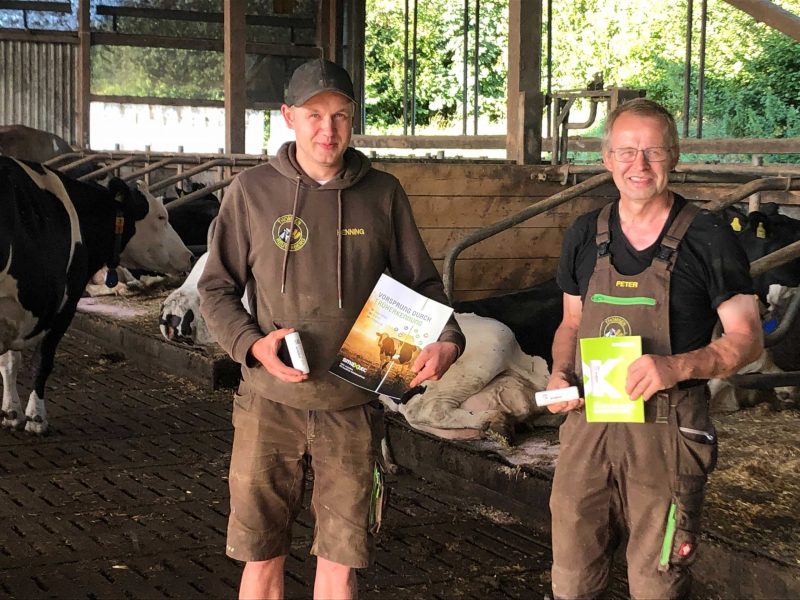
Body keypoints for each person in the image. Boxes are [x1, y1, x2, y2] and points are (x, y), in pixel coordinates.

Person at [198, 58, 465, 599]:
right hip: (269, 405)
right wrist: (252, 346)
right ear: (288, 117)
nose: (329, 129)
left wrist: (448, 341)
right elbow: (216, 290)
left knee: (341, 561)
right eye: (315, 115)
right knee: (261, 554)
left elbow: (425, 289)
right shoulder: (251, 193)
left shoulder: (383, 193)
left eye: (341, 115)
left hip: (352, 407)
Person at [545, 98, 762, 599]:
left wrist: (676, 365)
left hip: (667, 431)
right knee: (573, 579)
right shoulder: (584, 233)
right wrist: (559, 374)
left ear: (675, 155)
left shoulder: (708, 237)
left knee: (656, 583)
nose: (638, 166)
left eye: (653, 152)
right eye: (625, 152)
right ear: (606, 158)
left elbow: (747, 338)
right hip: (589, 427)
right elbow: (571, 322)